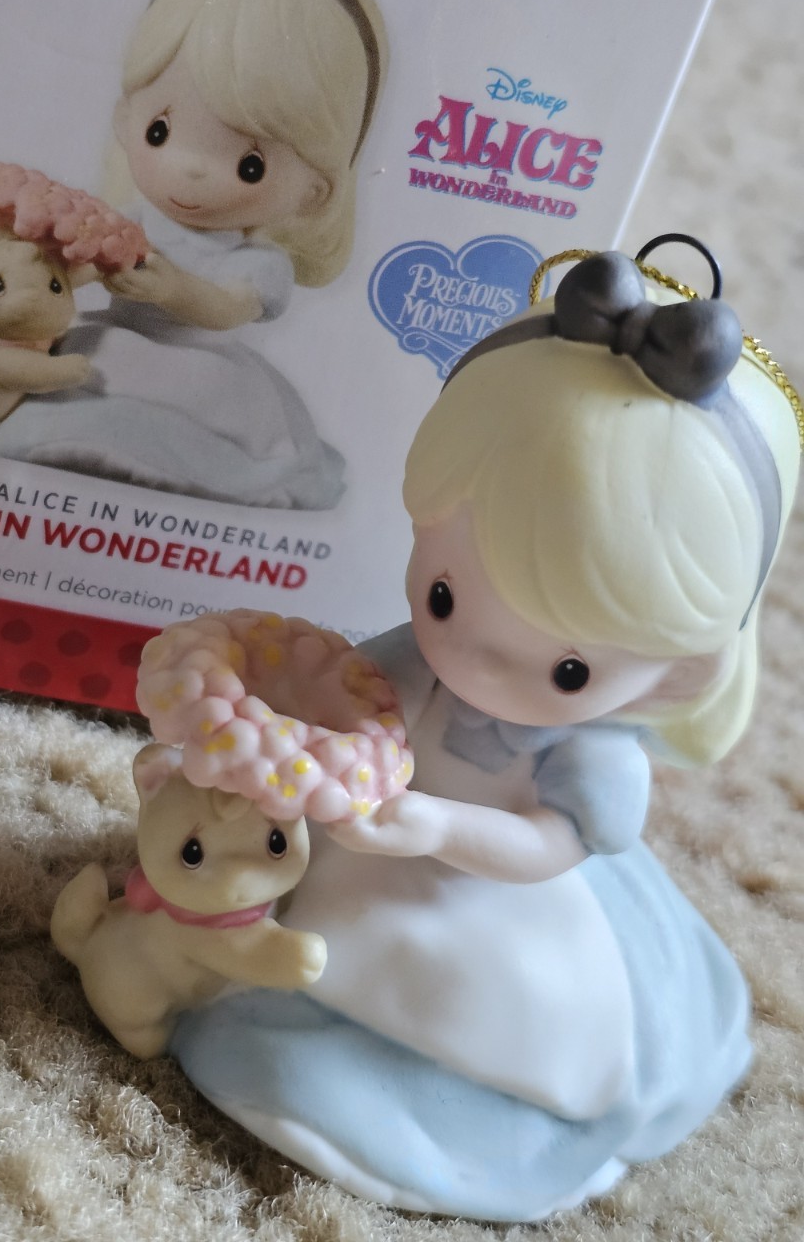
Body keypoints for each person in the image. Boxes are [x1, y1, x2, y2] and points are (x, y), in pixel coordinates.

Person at [169, 245, 802, 1221]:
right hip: (359, 843)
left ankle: (430, 1094)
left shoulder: (592, 755)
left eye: (569, 669)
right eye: (444, 596)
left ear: (681, 671)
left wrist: (436, 827)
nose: (473, 663)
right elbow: (352, 690)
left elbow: (551, 846)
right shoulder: (417, 663)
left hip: (487, 904)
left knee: (414, 997)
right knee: (222, 903)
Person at [0, 0, 385, 509]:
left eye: (249, 165)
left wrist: (174, 290)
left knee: (192, 403)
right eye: (160, 132)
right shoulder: (132, 221)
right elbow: (76, 275)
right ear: (127, 120)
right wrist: (27, 256)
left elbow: (227, 310)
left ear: (314, 191)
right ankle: (78, 438)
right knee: (71, 369)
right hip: (111, 345)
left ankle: (156, 455)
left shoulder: (258, 264)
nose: (192, 170)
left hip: (203, 369)